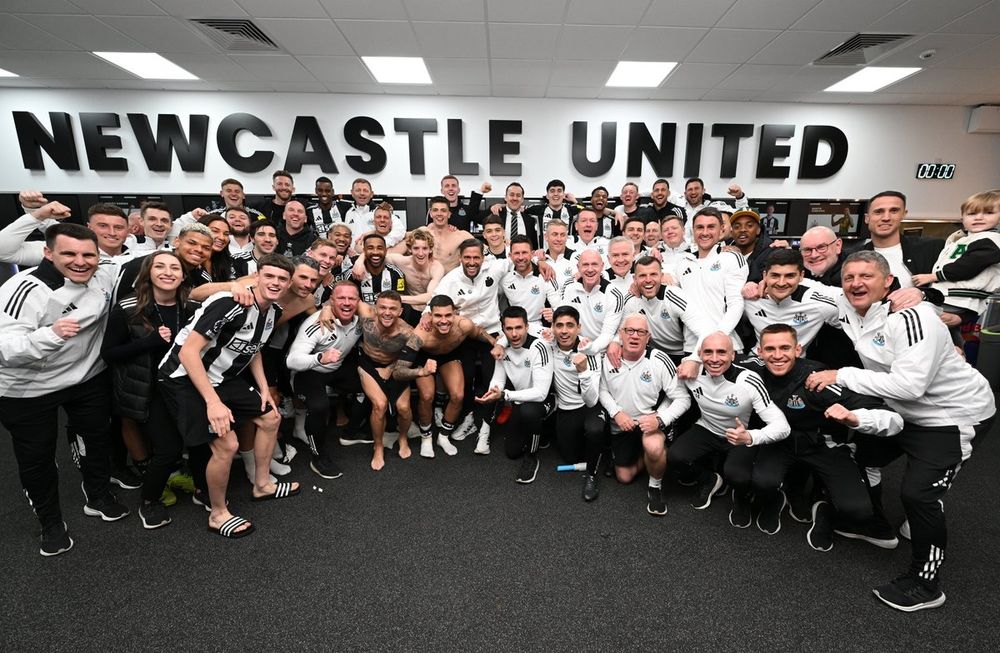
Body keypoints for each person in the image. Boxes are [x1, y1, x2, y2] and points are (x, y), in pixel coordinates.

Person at [805, 250, 997, 612]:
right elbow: (800, 285)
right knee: (864, 453)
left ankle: (925, 584)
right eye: (849, 278)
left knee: (919, 496)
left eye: (867, 276)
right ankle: (875, 525)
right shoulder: (846, 303)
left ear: (889, 282)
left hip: (953, 416)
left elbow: (911, 386)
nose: (856, 283)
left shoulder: (912, 315)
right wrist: (758, 285)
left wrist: (841, 374)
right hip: (904, 412)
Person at [0, 221, 127, 556]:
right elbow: (4, 347)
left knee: (96, 439)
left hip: (87, 377)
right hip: (28, 389)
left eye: (88, 255)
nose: (80, 262)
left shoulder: (104, 275)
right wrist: (51, 335)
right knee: (37, 459)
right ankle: (50, 522)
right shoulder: (25, 288)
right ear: (48, 253)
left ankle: (97, 495)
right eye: (69, 254)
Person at [158, 254, 298, 539]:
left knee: (271, 417)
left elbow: (253, 348)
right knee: (227, 444)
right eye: (269, 276)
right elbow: (188, 353)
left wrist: (263, 388)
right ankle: (218, 513)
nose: (275, 283)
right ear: (256, 276)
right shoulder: (230, 303)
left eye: (282, 279)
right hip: (184, 376)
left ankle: (262, 485)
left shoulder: (273, 311)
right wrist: (213, 403)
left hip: (223, 376)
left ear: (288, 285)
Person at [739, 324, 903, 542]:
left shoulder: (816, 381)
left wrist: (855, 418)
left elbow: (893, 418)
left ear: (798, 350)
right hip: (781, 442)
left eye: (785, 348)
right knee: (762, 483)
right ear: (760, 352)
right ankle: (783, 495)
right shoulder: (754, 370)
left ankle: (824, 507)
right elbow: (721, 358)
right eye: (770, 349)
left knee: (858, 512)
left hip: (822, 445)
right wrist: (696, 361)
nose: (777, 355)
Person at [100, 251, 192, 529]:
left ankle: (183, 480)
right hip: (149, 388)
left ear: (183, 276)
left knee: (195, 441)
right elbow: (109, 354)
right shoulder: (128, 308)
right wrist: (148, 342)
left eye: (175, 268)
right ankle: (150, 501)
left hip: (183, 385)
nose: (168, 272)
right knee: (168, 448)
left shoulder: (191, 306)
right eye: (160, 266)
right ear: (148, 273)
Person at [670, 332, 791, 513]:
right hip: (707, 428)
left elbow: (782, 426)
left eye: (721, 352)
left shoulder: (748, 380)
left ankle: (741, 495)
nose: (714, 359)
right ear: (699, 354)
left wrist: (750, 436)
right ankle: (710, 479)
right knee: (674, 457)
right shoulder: (691, 372)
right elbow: (676, 396)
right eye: (708, 352)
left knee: (738, 477)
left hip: (738, 436)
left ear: (733, 355)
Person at [599, 313, 691, 516]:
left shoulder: (659, 359)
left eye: (641, 332)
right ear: (621, 334)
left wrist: (660, 419)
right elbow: (602, 390)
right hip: (622, 425)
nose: (634, 336)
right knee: (624, 477)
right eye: (630, 331)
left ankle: (655, 485)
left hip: (650, 423)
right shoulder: (608, 357)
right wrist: (616, 413)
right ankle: (649, 458)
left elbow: (683, 398)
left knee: (654, 447)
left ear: (648, 337)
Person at [395, 294, 498, 457]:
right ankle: (426, 438)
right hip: (425, 358)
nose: (443, 321)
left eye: (448, 315)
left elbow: (478, 332)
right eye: (438, 316)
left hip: (449, 356)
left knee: (458, 395)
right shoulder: (420, 335)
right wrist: (421, 371)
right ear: (430, 315)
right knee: (427, 395)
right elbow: (398, 371)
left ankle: (443, 436)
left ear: (455, 313)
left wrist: (494, 342)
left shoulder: (463, 324)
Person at [286, 280, 364, 480]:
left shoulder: (360, 320)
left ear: (359, 302)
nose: (346, 303)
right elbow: (292, 360)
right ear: (331, 301)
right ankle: (318, 456)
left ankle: (352, 432)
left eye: (351, 298)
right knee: (320, 407)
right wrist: (320, 358)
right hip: (310, 371)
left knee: (371, 384)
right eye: (341, 298)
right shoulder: (317, 324)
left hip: (337, 368)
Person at [475, 306, 553, 483]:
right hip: (519, 398)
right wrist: (492, 392)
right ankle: (538, 432)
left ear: (527, 327)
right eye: (509, 329)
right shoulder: (502, 348)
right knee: (512, 452)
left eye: (518, 328)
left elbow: (540, 393)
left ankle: (532, 456)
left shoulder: (539, 346)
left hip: (546, 398)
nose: (514, 334)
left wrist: (504, 395)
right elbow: (498, 379)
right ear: (503, 329)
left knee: (529, 412)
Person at [354, 291, 422, 471]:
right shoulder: (366, 314)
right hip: (368, 364)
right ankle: (378, 447)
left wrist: (390, 368)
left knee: (404, 408)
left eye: (392, 309)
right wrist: (326, 311)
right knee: (380, 405)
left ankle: (403, 438)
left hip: (395, 366)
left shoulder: (407, 332)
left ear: (400, 311)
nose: (387, 312)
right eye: (383, 307)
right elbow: (342, 300)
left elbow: (410, 358)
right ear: (376, 308)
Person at [911, 189, 1000, 325]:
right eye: (972, 214)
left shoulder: (992, 240)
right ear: (962, 219)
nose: (979, 217)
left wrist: (933, 277)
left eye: (988, 213)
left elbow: (968, 266)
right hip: (950, 297)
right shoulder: (963, 239)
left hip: (963, 299)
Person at [548, 305, 604, 501]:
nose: (564, 331)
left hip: (589, 406)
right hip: (566, 408)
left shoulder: (589, 351)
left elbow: (591, 400)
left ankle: (592, 474)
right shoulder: (548, 345)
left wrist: (583, 371)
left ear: (579, 327)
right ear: (552, 328)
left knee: (595, 430)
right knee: (570, 457)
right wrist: (500, 342)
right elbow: (524, 328)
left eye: (570, 325)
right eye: (559, 325)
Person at [675, 207, 749, 352]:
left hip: (725, 346)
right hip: (692, 347)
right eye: (700, 227)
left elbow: (736, 303)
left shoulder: (731, 258)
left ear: (721, 230)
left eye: (711, 227)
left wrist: (717, 337)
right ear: (693, 231)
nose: (705, 232)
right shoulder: (683, 262)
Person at [742, 249, 839, 351]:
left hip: (798, 360)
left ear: (801, 276)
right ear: (765, 275)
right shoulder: (749, 298)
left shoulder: (819, 304)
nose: (781, 283)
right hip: (756, 357)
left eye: (790, 276)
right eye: (775, 275)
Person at [558, 249, 626, 355]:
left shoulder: (615, 295)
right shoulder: (569, 287)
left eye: (594, 264)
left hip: (601, 352)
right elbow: (563, 320)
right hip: (575, 345)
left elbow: (607, 334)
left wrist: (590, 348)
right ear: (578, 267)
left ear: (602, 266)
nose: (590, 269)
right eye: (585, 265)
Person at [499, 235, 561, 336]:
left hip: (538, 328)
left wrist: (554, 313)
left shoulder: (545, 275)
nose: (520, 257)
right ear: (510, 255)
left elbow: (559, 306)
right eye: (516, 253)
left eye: (524, 253)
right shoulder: (504, 278)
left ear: (532, 254)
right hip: (513, 329)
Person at [385, 228, 444, 314]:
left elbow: (431, 296)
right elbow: (377, 256)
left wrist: (396, 298)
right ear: (409, 249)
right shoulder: (402, 262)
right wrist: (363, 258)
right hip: (410, 310)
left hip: (431, 310)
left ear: (430, 249)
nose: (420, 253)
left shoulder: (436, 268)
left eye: (425, 248)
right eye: (416, 248)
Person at [339, 178, 406, 247]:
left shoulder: (381, 211)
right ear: (352, 193)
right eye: (358, 190)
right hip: (353, 253)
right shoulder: (349, 213)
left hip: (376, 252)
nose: (362, 193)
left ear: (371, 194)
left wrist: (381, 245)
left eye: (365, 190)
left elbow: (400, 230)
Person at [422, 195, 474, 272]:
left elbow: (486, 251)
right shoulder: (423, 232)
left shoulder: (461, 236)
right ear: (431, 213)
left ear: (449, 214)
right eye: (435, 210)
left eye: (443, 210)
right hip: (428, 278)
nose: (439, 213)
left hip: (450, 278)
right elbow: (403, 237)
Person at [484, 182, 539, 249]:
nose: (515, 198)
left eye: (518, 195)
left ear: (522, 199)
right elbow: (474, 215)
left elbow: (533, 245)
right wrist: (480, 191)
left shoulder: (530, 220)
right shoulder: (496, 213)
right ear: (505, 197)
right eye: (511, 195)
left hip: (522, 255)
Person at [525, 179, 580, 245]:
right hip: (544, 251)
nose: (556, 194)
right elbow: (520, 210)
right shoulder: (538, 210)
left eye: (559, 191)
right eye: (552, 191)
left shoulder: (570, 210)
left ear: (563, 195)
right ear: (547, 196)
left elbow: (586, 210)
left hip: (566, 251)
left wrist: (574, 200)